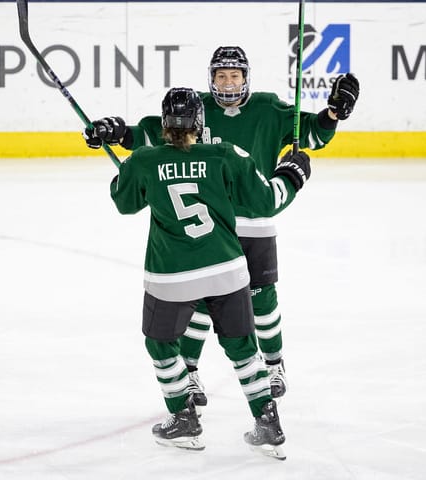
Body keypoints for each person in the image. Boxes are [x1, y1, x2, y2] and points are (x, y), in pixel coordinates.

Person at [85, 46, 359, 407]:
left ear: (247, 77)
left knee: (262, 297)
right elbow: (153, 134)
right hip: (214, 228)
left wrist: (332, 113)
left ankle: (274, 364)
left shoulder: (269, 109)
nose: (228, 82)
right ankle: (191, 371)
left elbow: (312, 134)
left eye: (235, 75)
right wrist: (117, 132)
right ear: (210, 78)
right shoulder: (197, 109)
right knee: (199, 300)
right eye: (221, 75)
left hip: (255, 222)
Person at [104, 87, 312, 458]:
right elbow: (266, 201)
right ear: (201, 122)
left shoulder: (144, 159)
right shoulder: (225, 155)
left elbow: (124, 202)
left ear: (165, 123)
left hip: (171, 276)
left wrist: (124, 172)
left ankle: (183, 418)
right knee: (244, 350)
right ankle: (268, 422)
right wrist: (292, 177)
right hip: (227, 269)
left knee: (161, 345)